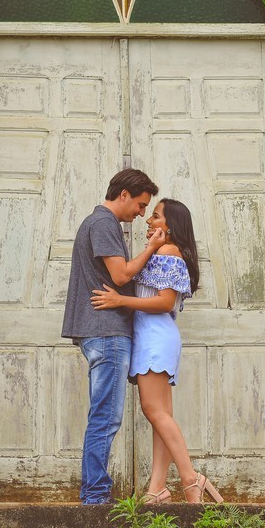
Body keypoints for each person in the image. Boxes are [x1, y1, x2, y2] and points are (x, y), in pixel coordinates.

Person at [90, 198, 223, 505]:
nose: (149, 220)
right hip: (157, 335)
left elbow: (164, 302)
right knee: (162, 414)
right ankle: (157, 488)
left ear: (171, 226)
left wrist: (119, 301)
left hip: (154, 336)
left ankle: (191, 479)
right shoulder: (162, 252)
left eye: (156, 216)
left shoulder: (167, 252)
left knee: (154, 411)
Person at [62, 168, 167, 505]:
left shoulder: (100, 223)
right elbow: (121, 275)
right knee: (106, 416)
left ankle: (93, 492)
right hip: (106, 332)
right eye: (140, 204)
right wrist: (151, 248)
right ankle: (95, 496)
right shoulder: (103, 223)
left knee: (103, 414)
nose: (141, 213)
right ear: (123, 195)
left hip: (102, 332)